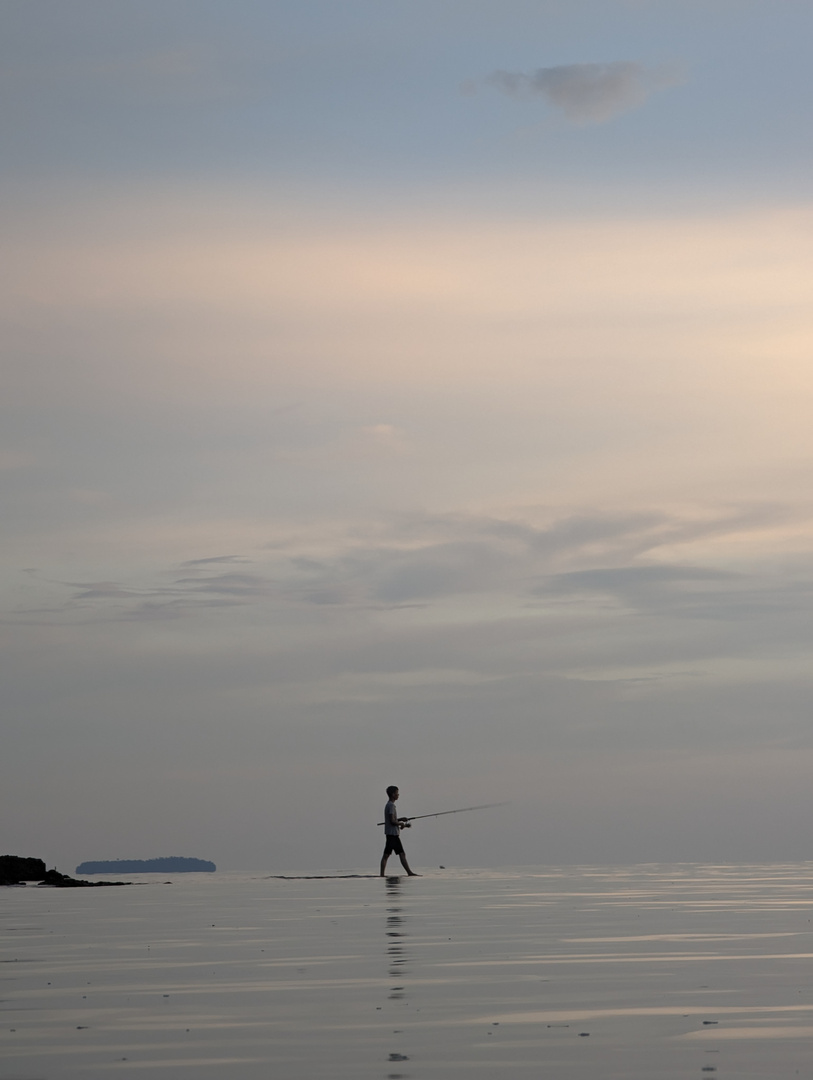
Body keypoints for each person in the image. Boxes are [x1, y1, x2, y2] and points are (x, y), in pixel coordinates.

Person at [380, 785, 419, 877]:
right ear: (393, 794)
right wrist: (402, 824)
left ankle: (382, 875)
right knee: (401, 854)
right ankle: (409, 873)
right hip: (393, 835)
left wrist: (402, 820)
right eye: (397, 793)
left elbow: (393, 819)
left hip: (390, 834)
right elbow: (392, 821)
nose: (398, 795)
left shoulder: (389, 805)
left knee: (386, 855)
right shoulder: (391, 806)